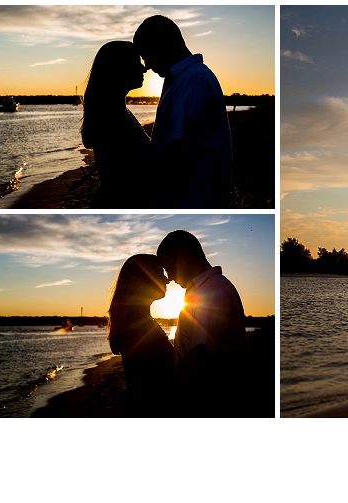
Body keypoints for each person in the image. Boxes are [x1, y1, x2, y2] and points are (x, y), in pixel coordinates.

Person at [134, 15, 233, 208]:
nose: (146, 65)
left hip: (192, 201)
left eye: (146, 55)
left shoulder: (193, 81)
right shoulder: (181, 80)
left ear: (161, 44)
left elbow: (177, 151)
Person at [157, 230, 248, 416]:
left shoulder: (212, 291)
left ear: (183, 257)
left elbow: (200, 355)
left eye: (170, 269)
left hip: (210, 402)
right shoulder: (203, 289)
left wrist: (174, 391)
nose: (170, 277)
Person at [81, 41, 156, 208]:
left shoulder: (117, 112)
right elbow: (124, 179)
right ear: (120, 68)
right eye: (136, 62)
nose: (144, 68)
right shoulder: (111, 118)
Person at [108, 254, 175, 417]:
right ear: (144, 279)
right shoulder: (137, 325)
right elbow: (150, 383)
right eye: (160, 273)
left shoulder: (141, 319)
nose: (167, 280)